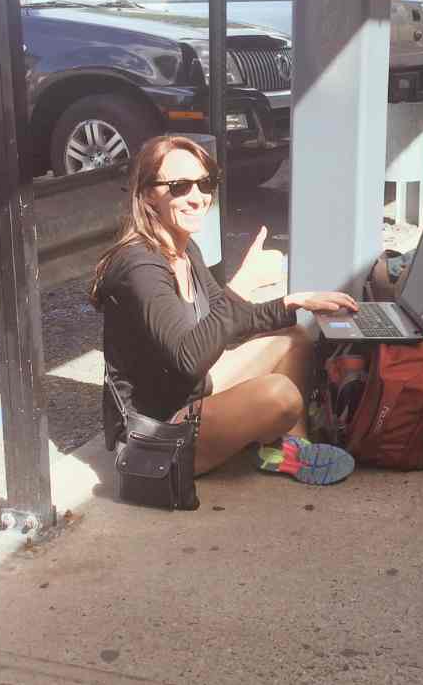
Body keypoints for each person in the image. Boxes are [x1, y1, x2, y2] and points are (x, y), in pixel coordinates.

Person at [92, 135, 360, 486]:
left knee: (294, 337)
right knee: (280, 395)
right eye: (178, 186)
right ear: (145, 195)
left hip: (189, 392)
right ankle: (273, 438)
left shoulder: (185, 252)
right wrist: (243, 284)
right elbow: (189, 356)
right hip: (157, 435)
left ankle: (287, 449)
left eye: (205, 184)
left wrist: (292, 302)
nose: (197, 197)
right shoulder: (139, 267)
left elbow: (225, 319)